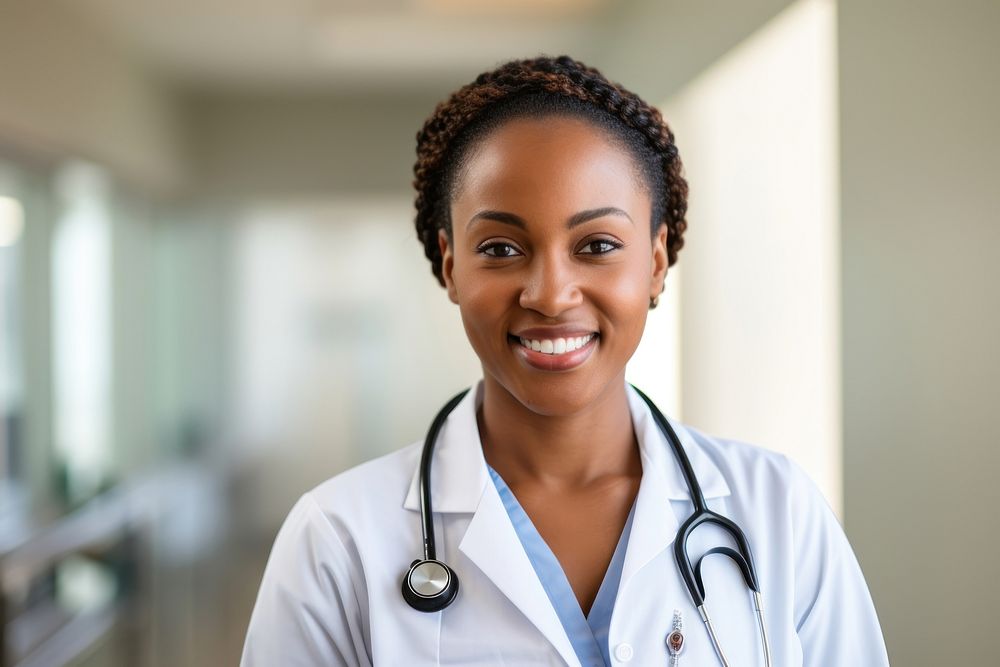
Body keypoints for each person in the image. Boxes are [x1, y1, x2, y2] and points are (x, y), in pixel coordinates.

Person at [241, 55, 889, 666]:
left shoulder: (777, 513)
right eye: (499, 247)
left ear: (657, 262)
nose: (550, 294)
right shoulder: (337, 542)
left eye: (598, 243)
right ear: (449, 265)